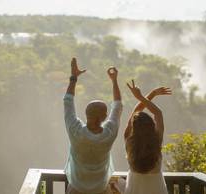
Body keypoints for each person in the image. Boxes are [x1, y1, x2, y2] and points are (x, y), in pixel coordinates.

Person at [63, 58, 123, 194]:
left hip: (76, 189)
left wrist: (73, 78)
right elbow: (118, 106)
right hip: (101, 190)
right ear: (103, 117)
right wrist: (114, 81)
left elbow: (67, 101)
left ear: (86, 114)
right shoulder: (109, 133)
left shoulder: (75, 131)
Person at [124, 80, 171, 194]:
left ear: (133, 127)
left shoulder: (128, 141)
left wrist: (149, 94)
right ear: (151, 125)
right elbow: (158, 113)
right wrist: (143, 96)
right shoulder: (156, 141)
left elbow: (136, 112)